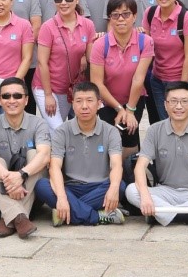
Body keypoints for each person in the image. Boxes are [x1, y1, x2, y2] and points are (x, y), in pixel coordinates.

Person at [127, 81, 188, 228]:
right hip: (166, 191)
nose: (179, 106)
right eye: (173, 101)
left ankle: (160, 214)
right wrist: (146, 196)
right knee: (132, 190)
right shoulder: (154, 130)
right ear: (165, 105)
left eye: (184, 101)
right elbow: (140, 166)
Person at [36, 83, 125, 226]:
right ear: (72, 104)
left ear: (99, 104)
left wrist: (113, 189)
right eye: (79, 101)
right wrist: (62, 197)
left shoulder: (111, 131)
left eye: (90, 101)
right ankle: (98, 216)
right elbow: (55, 167)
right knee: (42, 186)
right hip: (71, 187)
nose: (84, 106)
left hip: (99, 187)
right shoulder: (61, 131)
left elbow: (116, 165)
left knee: (119, 186)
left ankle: (67, 213)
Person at [0, 77, 51, 238]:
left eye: (17, 96)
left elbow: (45, 155)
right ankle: (19, 218)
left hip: (31, 190)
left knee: (35, 155)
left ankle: (7, 218)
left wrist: (21, 175)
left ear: (26, 100)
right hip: (4, 188)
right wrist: (10, 180)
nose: (12, 100)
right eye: (6, 96)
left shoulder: (39, 123)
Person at [89, 0, 153, 157]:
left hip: (134, 100)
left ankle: (129, 167)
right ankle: (110, 168)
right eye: (115, 15)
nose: (121, 19)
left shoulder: (145, 42)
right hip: (107, 101)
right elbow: (97, 83)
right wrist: (119, 108)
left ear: (135, 16)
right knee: (110, 139)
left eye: (126, 14)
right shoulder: (100, 44)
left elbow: (138, 79)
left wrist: (129, 111)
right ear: (110, 18)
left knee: (130, 137)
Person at [34, 0, 96, 131]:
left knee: (59, 132)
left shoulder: (88, 25)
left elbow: (91, 58)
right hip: (46, 87)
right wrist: (48, 95)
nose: (63, 3)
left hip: (70, 88)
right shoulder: (47, 27)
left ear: (77, 0)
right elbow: (42, 62)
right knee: (58, 129)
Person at [143, 0, 188, 123]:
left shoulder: (186, 17)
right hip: (157, 79)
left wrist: (182, 88)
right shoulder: (150, 13)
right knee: (164, 122)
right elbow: (146, 49)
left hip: (180, 78)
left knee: (179, 122)